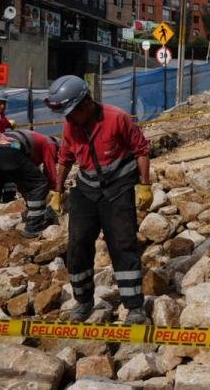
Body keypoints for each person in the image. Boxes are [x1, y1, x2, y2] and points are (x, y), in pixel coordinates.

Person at [45, 75, 152, 324]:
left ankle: (134, 307)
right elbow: (65, 159)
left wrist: (145, 185)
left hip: (119, 187)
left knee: (122, 244)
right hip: (86, 188)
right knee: (78, 243)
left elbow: (141, 150)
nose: (69, 119)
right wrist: (58, 191)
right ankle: (83, 301)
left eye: (72, 113)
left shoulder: (117, 118)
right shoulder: (71, 126)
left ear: (86, 103)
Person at [0, 129, 53, 237]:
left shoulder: (35, 139)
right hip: (6, 151)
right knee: (39, 183)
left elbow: (23, 179)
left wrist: (30, 200)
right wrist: (57, 190)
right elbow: (50, 172)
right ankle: (34, 227)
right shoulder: (51, 144)